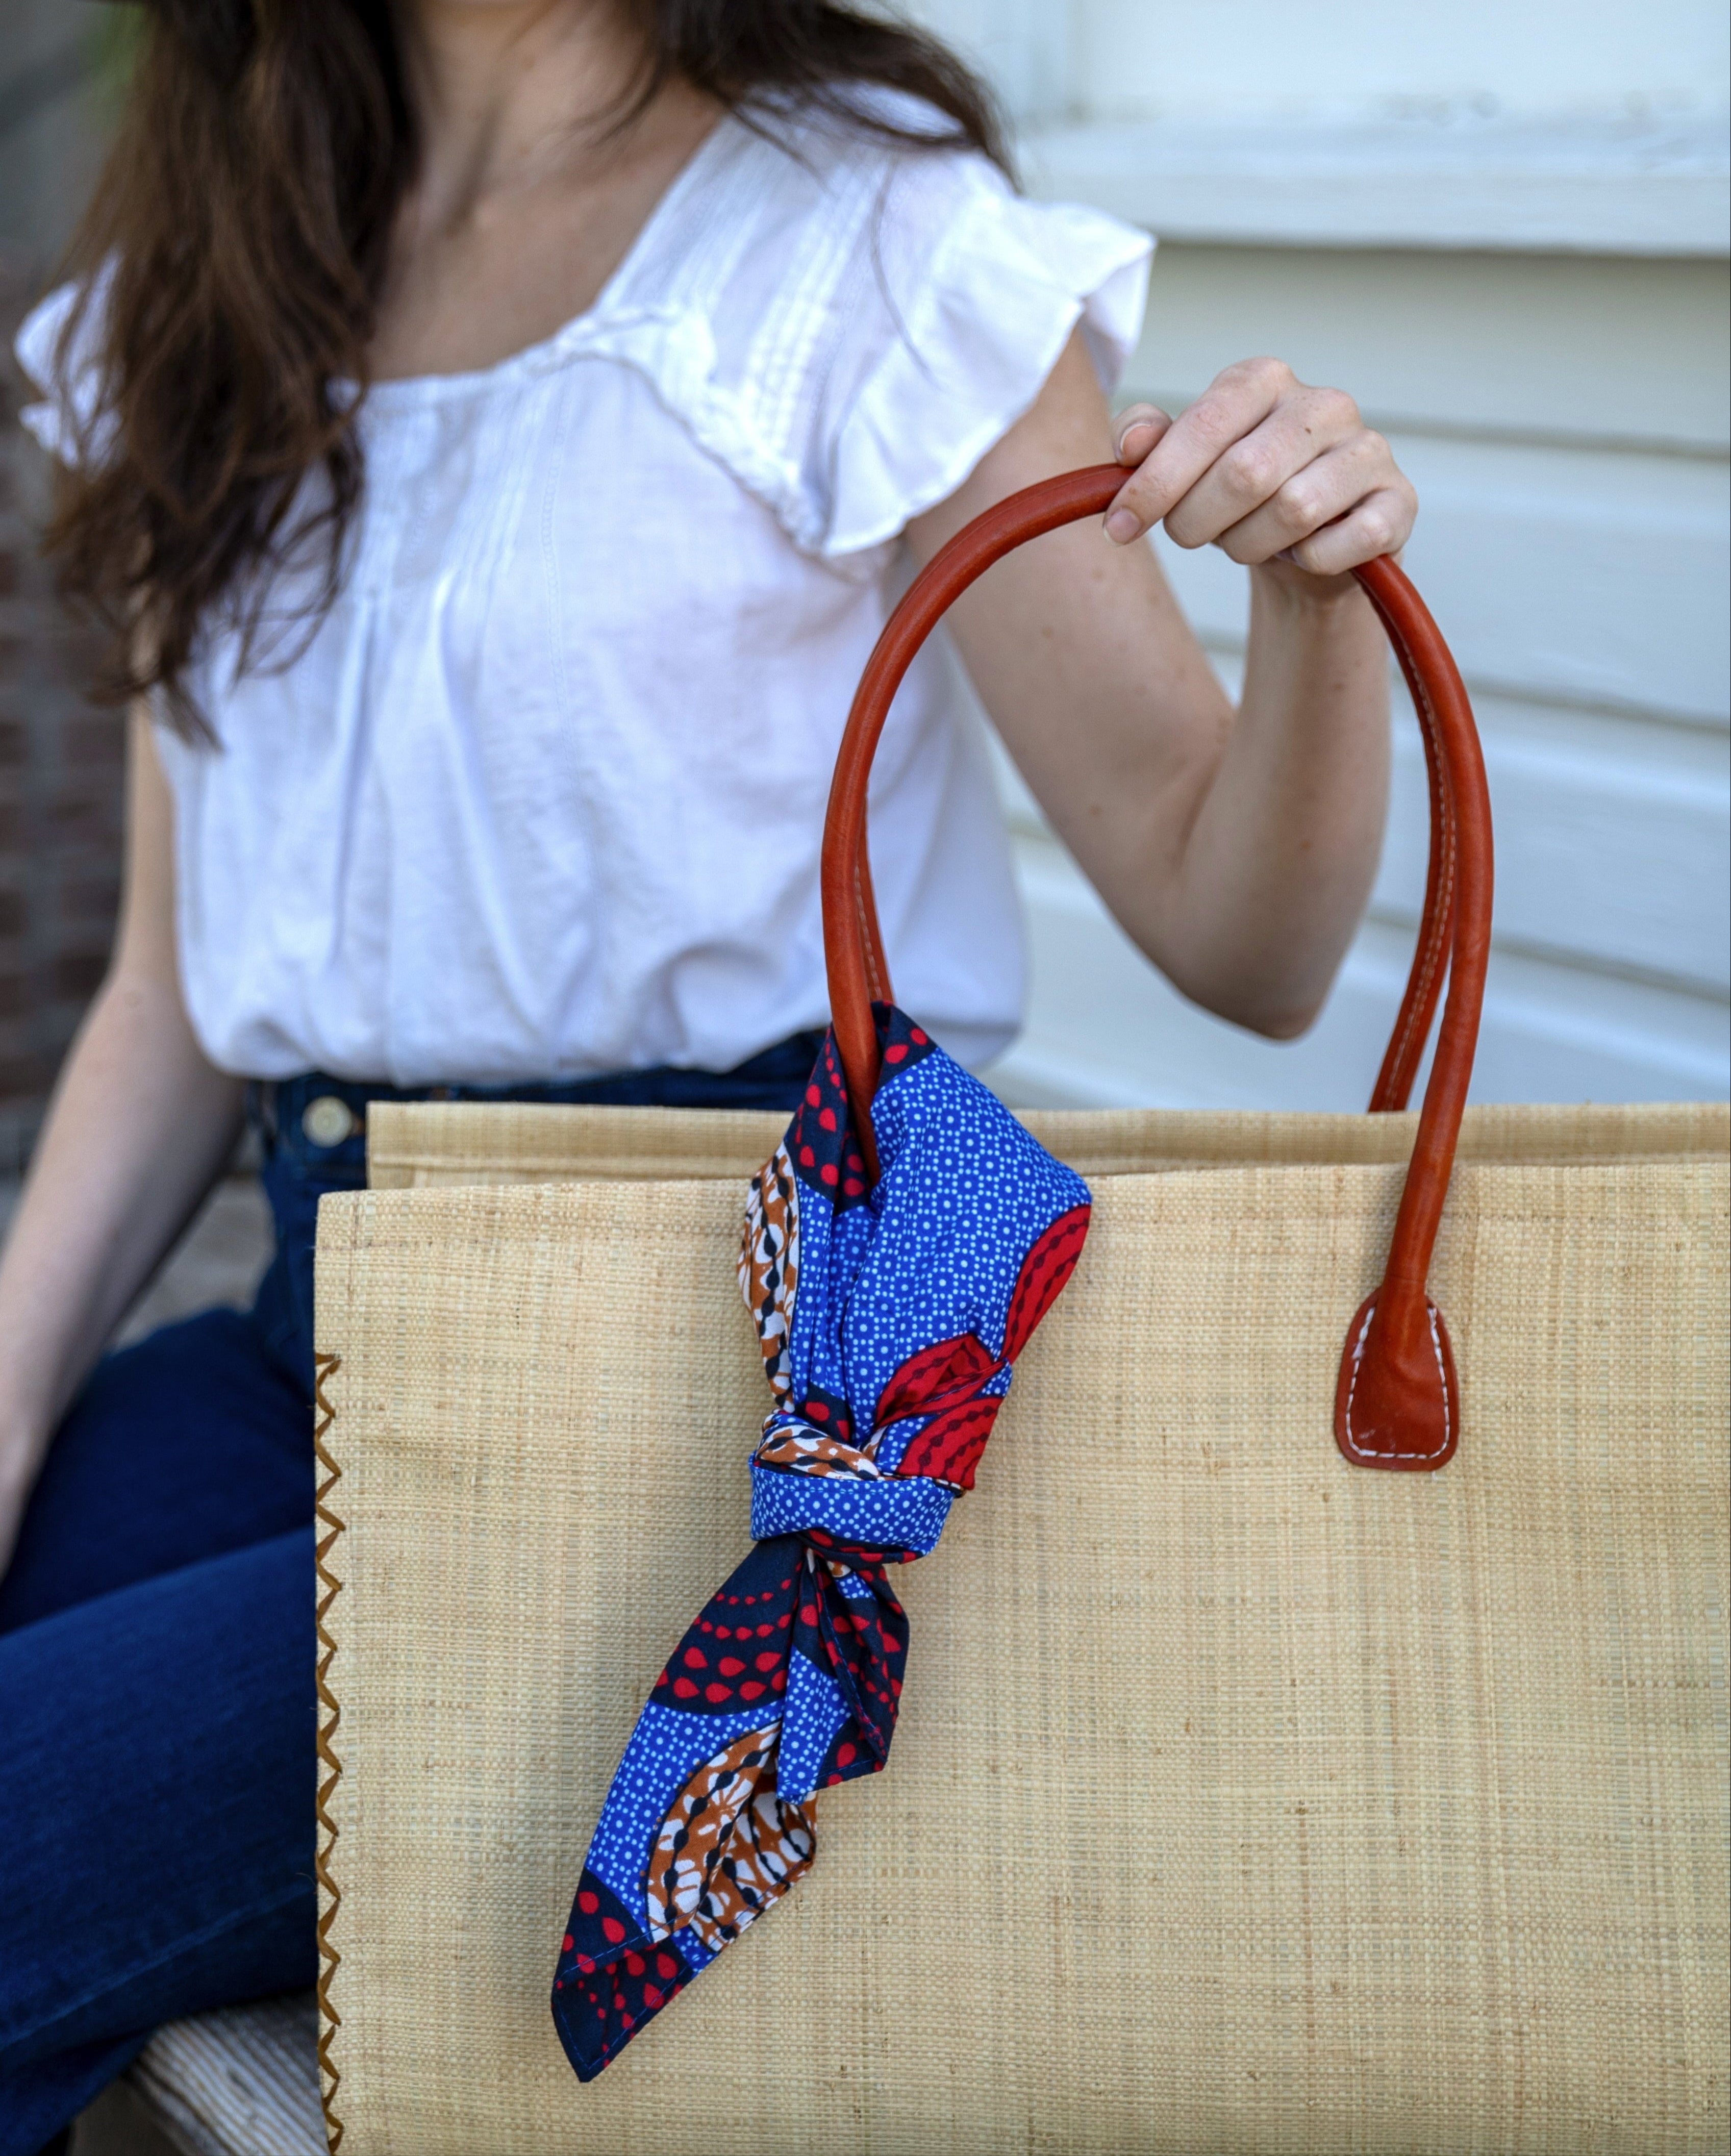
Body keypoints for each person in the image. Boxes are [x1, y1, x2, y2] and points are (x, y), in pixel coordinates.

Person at [0, 1, 1416, 2145]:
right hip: (308, 1330)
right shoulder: (215, 272)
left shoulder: (865, 244)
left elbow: (1245, 941)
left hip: (695, 1403)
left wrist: (1318, 601)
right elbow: (180, 989)